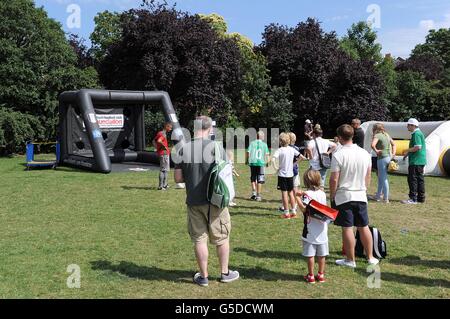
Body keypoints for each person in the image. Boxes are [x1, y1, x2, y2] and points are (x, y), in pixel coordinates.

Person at [174, 116, 239, 287]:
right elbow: (225, 175)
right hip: (216, 200)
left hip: (194, 200)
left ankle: (203, 277)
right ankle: (225, 273)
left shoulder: (182, 148)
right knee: (222, 238)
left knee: (199, 240)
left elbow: (178, 178)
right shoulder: (217, 147)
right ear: (210, 129)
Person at [330, 124, 379, 268]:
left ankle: (350, 260)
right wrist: (364, 189)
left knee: (347, 228)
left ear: (339, 138)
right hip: (360, 194)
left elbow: (334, 179)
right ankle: (370, 257)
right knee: (363, 226)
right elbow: (368, 175)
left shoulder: (338, 154)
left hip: (344, 195)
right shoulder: (365, 153)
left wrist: (332, 196)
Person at [295, 169, 329, 284]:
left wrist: (298, 198)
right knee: (321, 254)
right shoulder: (323, 194)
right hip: (322, 229)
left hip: (310, 229)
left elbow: (304, 210)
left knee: (310, 254)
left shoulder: (308, 194)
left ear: (306, 181)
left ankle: (311, 275)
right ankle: (321, 274)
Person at [272, 133, 300, 219]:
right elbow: (301, 157)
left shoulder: (280, 150)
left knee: (284, 193)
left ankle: (286, 213)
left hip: (282, 175)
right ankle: (294, 211)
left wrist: (276, 168)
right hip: (290, 175)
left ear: (280, 141)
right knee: (291, 193)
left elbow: (273, 159)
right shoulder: (292, 149)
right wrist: (294, 164)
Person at [402, 118, 427, 204]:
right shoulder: (418, 133)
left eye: (408, 125)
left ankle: (413, 199)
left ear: (413, 126)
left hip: (416, 161)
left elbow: (417, 147)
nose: (407, 126)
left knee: (412, 179)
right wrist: (407, 154)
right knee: (420, 179)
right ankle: (421, 198)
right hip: (420, 160)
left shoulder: (416, 134)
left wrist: (407, 150)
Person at [370, 123, 396, 203]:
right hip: (388, 157)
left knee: (383, 178)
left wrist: (376, 151)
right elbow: (394, 144)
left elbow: (372, 145)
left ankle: (385, 198)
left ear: (375, 129)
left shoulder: (377, 135)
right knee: (381, 178)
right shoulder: (386, 135)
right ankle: (378, 196)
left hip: (381, 158)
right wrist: (393, 153)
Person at [246, 131, 270, 202]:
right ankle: (258, 195)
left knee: (253, 178)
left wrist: (247, 160)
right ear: (262, 137)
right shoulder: (264, 144)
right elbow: (267, 155)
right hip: (261, 164)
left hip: (253, 163)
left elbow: (248, 152)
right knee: (260, 180)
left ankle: (254, 193)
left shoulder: (252, 143)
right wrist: (267, 162)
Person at [154, 122, 172, 190]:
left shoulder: (159, 133)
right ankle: (161, 186)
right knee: (163, 170)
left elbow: (154, 140)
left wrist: (157, 148)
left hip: (162, 153)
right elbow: (159, 141)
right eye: (170, 128)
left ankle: (165, 184)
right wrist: (165, 147)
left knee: (165, 169)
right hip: (164, 154)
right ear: (166, 127)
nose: (170, 129)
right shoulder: (163, 134)